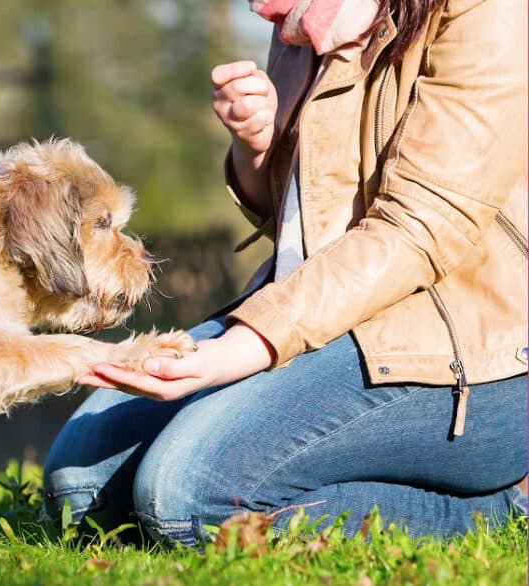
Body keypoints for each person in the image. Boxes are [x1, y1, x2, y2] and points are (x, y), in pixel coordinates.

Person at [42, 0, 527, 547]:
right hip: (324, 319)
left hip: (463, 356)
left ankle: (503, 507)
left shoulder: (487, 9)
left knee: (186, 497)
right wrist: (254, 147)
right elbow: (296, 223)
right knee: (79, 490)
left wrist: (241, 348)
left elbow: (419, 227)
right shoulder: (303, 19)